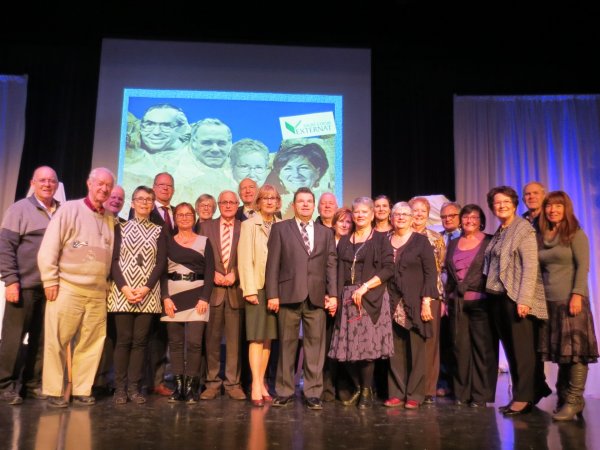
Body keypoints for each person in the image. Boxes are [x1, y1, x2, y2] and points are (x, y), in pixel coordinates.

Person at [37, 167, 116, 408]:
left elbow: (94, 247)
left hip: (96, 292)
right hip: (68, 287)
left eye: (108, 186)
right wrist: (50, 279)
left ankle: (82, 389)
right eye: (99, 183)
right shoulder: (70, 209)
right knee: (57, 340)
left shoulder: (110, 218)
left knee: (92, 342)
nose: (103, 188)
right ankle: (52, 390)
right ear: (89, 184)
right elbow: (51, 245)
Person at [265, 187, 337, 410]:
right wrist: (272, 294)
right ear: (294, 205)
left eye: (309, 201)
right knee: (286, 345)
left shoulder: (325, 232)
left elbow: (330, 265)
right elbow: (272, 265)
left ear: (313, 205)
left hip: (316, 297)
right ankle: (285, 391)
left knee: (315, 346)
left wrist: (332, 294)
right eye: (301, 201)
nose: (305, 205)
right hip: (288, 295)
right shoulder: (280, 229)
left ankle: (313, 392)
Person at [484, 185, 548, 416]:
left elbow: (531, 268)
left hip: (515, 298)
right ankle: (523, 395)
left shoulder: (524, 230)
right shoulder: (502, 230)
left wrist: (525, 300)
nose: (501, 206)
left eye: (505, 202)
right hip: (498, 298)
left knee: (523, 351)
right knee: (511, 350)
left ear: (514, 204)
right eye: (496, 203)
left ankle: (524, 397)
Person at [0, 166, 60, 405]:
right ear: (33, 182)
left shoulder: (62, 211)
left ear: (57, 184)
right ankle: (6, 386)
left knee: (42, 340)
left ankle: (32, 384)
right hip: (24, 285)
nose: (47, 184)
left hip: (51, 287)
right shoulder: (19, 209)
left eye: (51, 181)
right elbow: (5, 248)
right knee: (14, 340)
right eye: (42, 180)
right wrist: (11, 280)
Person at [328, 197, 395, 409]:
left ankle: (367, 391)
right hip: (347, 297)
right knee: (348, 349)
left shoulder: (381, 239)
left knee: (367, 348)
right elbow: (338, 271)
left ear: (372, 215)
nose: (360, 215)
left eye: (365, 212)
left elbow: (388, 269)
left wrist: (365, 287)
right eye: (356, 212)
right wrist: (335, 297)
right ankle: (358, 386)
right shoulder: (346, 240)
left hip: (371, 296)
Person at [537, 191, 598, 420]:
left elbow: (583, 267)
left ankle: (574, 400)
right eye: (550, 206)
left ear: (566, 208)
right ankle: (565, 398)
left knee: (576, 353)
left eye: (558, 206)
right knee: (563, 353)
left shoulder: (576, 234)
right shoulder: (543, 235)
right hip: (550, 302)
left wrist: (577, 295)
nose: (553, 210)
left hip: (571, 301)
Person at [107, 186, 167, 404]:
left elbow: (160, 262)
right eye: (140, 199)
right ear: (132, 203)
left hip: (147, 294)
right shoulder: (119, 227)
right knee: (123, 340)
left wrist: (146, 288)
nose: (144, 203)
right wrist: (124, 287)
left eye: (149, 200)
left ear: (152, 205)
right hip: (122, 291)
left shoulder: (159, 231)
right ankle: (120, 388)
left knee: (141, 342)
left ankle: (134, 387)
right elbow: (113, 261)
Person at [384, 202, 438, 409]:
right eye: (397, 214)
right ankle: (397, 393)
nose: (401, 217)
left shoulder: (421, 241)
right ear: (391, 217)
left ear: (412, 217)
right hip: (390, 302)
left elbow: (430, 273)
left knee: (417, 349)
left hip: (415, 303)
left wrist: (426, 302)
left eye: (405, 214)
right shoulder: (385, 240)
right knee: (394, 349)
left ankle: (415, 394)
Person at [444, 204, 498, 407]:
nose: (469, 221)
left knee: (483, 350)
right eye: (465, 217)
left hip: (482, 303)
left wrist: (467, 285)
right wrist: (447, 298)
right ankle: (462, 393)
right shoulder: (453, 243)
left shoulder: (489, 241)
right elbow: (450, 275)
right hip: (457, 303)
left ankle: (481, 395)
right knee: (460, 349)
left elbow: (491, 273)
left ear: (481, 220)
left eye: (474, 217)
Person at [161, 203, 215, 403]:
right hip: (173, 297)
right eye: (180, 215)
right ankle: (179, 387)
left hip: (197, 297)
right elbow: (161, 272)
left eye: (188, 214)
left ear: (194, 217)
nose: (184, 218)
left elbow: (210, 272)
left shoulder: (204, 241)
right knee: (175, 344)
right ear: (175, 218)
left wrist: (204, 298)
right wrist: (165, 297)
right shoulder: (167, 242)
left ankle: (192, 388)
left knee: (194, 343)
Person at [199, 191, 247, 400]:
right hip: (214, 292)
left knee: (235, 342)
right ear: (218, 204)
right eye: (224, 202)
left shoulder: (245, 227)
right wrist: (212, 273)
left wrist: (236, 273)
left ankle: (233, 383)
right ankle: (212, 383)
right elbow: (198, 256)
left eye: (231, 202)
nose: (228, 205)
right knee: (212, 340)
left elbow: (249, 256)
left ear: (237, 205)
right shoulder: (205, 226)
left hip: (236, 292)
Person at [238, 184, 281, 406]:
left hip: (275, 290)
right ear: (258, 201)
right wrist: (249, 289)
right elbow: (244, 259)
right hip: (257, 287)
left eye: (273, 198)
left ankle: (262, 382)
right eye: (265, 198)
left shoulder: (282, 225)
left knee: (267, 339)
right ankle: (255, 384)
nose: (269, 201)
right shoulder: (248, 225)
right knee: (256, 337)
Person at [139, 172, 176, 397]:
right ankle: (142, 381)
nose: (165, 189)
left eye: (169, 186)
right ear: (153, 188)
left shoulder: (178, 213)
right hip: (147, 282)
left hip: (171, 282)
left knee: (162, 335)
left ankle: (158, 380)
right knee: (145, 335)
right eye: (160, 185)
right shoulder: (144, 212)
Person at [408, 196, 446, 404]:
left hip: (431, 295)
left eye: (423, 210)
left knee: (431, 343)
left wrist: (438, 297)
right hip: (407, 296)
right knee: (410, 343)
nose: (419, 214)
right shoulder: (402, 236)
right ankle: (412, 386)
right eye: (415, 210)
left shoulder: (435, 238)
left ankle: (429, 389)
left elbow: (440, 268)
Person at [123, 105, 190, 200]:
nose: (156, 132)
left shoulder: (193, 167)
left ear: (181, 129)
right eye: (150, 124)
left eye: (166, 125)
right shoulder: (128, 167)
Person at [172, 118, 238, 201]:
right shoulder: (173, 175)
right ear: (194, 143)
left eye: (221, 143)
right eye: (207, 143)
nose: (215, 149)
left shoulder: (240, 174)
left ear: (229, 144)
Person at [264, 140, 330, 220]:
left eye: (303, 168)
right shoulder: (271, 208)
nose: (295, 175)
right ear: (279, 175)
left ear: (318, 172)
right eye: (288, 168)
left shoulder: (326, 208)